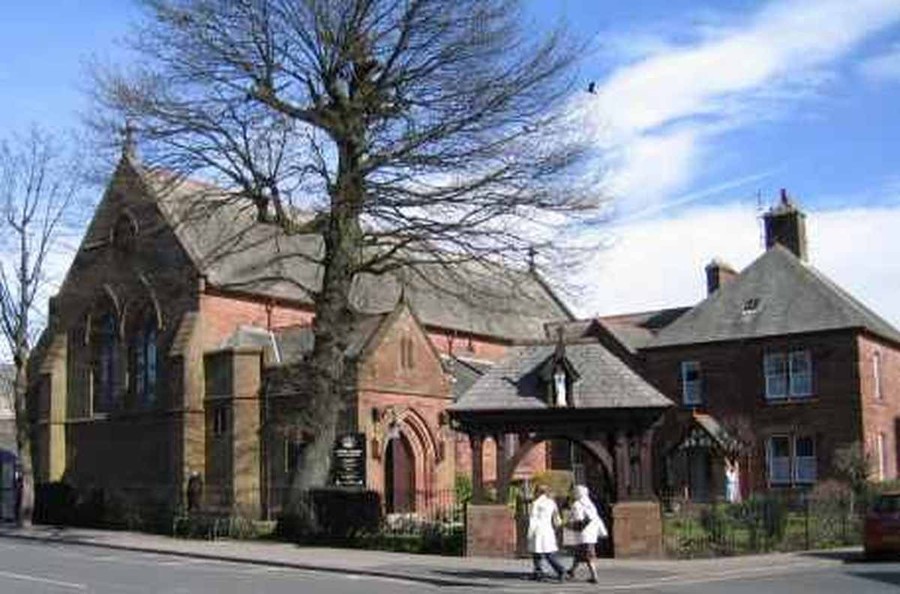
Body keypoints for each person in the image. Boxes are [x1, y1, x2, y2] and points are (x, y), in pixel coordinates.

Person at [565, 484, 606, 583]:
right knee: (579, 554)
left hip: (582, 534)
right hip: (591, 534)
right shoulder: (590, 504)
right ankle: (571, 570)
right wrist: (602, 531)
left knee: (588, 556)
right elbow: (597, 519)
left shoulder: (577, 504)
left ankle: (594, 576)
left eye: (575, 493)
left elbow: (579, 519)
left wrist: (568, 524)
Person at [527, 484, 566, 582]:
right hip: (548, 530)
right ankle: (539, 572)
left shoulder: (535, 503)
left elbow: (533, 519)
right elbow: (556, 517)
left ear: (538, 492)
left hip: (538, 530)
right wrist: (558, 525)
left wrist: (530, 532)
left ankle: (560, 570)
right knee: (548, 553)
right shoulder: (551, 502)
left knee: (537, 552)